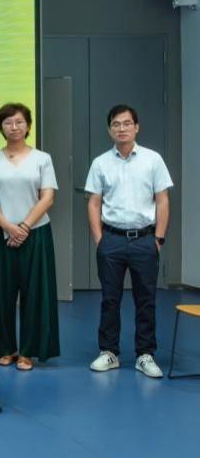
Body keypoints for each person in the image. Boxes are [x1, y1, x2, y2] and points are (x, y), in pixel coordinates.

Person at [85, 104, 172, 378]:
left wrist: (158, 238)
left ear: (136, 127)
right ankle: (109, 352)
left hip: (145, 239)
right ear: (109, 129)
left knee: (146, 299)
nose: (121, 128)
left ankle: (145, 355)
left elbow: (162, 200)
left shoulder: (153, 160)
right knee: (109, 299)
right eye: (116, 124)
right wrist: (100, 240)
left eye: (126, 123)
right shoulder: (100, 163)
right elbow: (94, 203)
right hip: (111, 240)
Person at [0, 103, 60, 370]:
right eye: (8, 122)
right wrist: (8, 227)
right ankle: (4, 348)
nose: (14, 127)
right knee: (0, 292)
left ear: (28, 126)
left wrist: (23, 227)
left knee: (36, 292)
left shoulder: (42, 159)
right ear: (0, 127)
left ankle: (28, 352)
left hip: (35, 233)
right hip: (0, 233)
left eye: (19, 122)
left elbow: (47, 197)